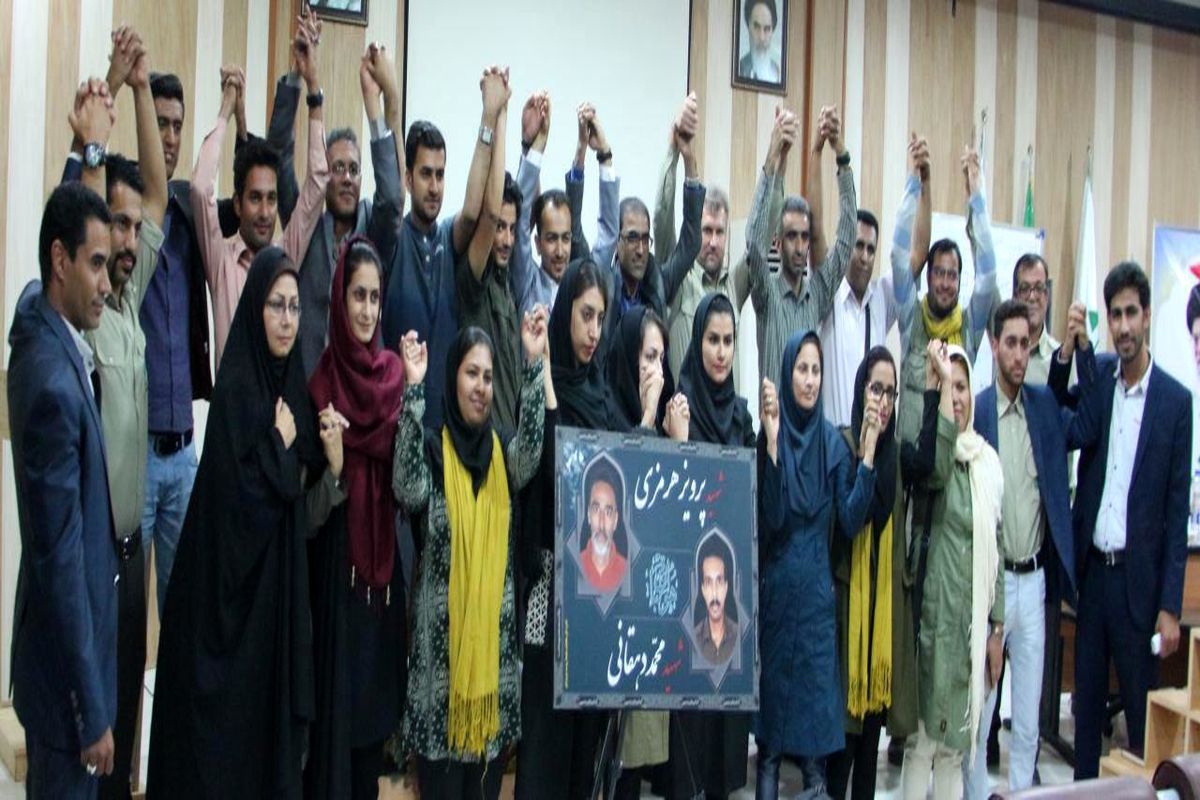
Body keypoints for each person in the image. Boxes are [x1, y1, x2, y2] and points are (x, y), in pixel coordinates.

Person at [147, 248, 327, 797]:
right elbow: (236, 504)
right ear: (255, 309)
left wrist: (309, 452)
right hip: (228, 607)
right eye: (275, 305)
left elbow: (303, 473)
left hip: (274, 600)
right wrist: (277, 443)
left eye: (294, 308)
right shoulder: (237, 389)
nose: (287, 320)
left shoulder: (292, 385)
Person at [66, 33, 167, 800]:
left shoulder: (129, 303)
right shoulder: (89, 311)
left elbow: (159, 194)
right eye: (119, 228)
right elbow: (83, 210)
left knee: (127, 725)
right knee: (88, 730)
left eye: (134, 230)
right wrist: (98, 115)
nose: (130, 239)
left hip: (134, 560)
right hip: (93, 557)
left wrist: (139, 90)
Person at [392, 313, 550, 799]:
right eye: (471, 373)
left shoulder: (502, 456)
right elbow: (406, 486)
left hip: (490, 686)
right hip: (440, 690)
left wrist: (532, 364)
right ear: (452, 377)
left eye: (487, 376)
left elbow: (532, 452)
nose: (481, 387)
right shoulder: (433, 453)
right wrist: (412, 391)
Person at [1050, 263, 1192, 779]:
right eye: (1115, 315)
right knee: (1085, 720)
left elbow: (1175, 513)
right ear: (1107, 320)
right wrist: (1068, 354)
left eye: (1132, 313)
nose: (1124, 325)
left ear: (1147, 316)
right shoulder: (1100, 376)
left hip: (1140, 589)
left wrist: (1170, 607)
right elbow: (1061, 415)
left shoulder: (1176, 403)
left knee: (1141, 725)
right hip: (1094, 581)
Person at [9, 181, 116, 799]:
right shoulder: (53, 386)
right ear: (59, 260)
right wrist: (91, 711)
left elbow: (30, 294)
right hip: (64, 695)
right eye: (95, 264)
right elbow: (62, 563)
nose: (106, 284)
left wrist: (82, 160)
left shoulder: (36, 326)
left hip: (53, 676)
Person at [515, 259, 626, 800]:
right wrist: (545, 383)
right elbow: (552, 472)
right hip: (549, 592)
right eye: (585, 315)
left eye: (600, 318)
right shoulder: (540, 383)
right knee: (546, 743)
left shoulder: (602, 395)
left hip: (595, 601)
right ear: (565, 315)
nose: (593, 330)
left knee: (586, 750)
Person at [304, 237, 406, 799]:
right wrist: (337, 472)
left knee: (369, 741)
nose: (366, 311)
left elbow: (409, 484)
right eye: (357, 296)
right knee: (335, 737)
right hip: (336, 584)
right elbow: (304, 519)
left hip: (382, 587)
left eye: (374, 297)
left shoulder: (394, 381)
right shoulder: (321, 386)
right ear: (339, 301)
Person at [962, 300, 1076, 797]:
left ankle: (1025, 792)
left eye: (1025, 344)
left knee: (1028, 719)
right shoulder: (978, 409)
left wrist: (1078, 351)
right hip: (992, 585)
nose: (1018, 354)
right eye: (1009, 343)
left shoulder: (1044, 406)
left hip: (1035, 582)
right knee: (981, 714)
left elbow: (1087, 421)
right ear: (993, 345)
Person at [756, 330, 877, 799]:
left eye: (816, 370)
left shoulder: (833, 444)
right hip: (777, 603)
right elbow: (770, 519)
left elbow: (850, 519)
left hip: (816, 614)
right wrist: (771, 445)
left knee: (814, 756)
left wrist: (867, 457)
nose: (809, 380)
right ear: (788, 374)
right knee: (769, 745)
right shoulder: (773, 433)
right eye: (801, 369)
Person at [826, 344, 945, 800]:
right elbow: (850, 519)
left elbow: (928, 462)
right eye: (876, 389)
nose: (883, 401)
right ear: (861, 391)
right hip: (847, 617)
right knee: (842, 746)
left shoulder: (896, 453)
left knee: (869, 750)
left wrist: (932, 391)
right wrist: (867, 453)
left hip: (882, 620)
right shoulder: (843, 446)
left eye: (890, 392)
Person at [191, 15, 329, 369]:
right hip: (231, 405)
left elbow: (317, 182)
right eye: (255, 199)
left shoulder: (285, 256)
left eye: (271, 199)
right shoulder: (221, 260)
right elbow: (200, 187)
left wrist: (314, 89)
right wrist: (226, 109)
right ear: (238, 204)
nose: (266, 212)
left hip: (280, 405)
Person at [661, 292, 757, 800]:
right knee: (690, 744)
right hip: (688, 602)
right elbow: (665, 507)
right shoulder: (679, 409)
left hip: (730, 598)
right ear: (697, 342)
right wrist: (677, 443)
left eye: (728, 341)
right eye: (712, 340)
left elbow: (752, 505)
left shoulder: (741, 418)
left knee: (722, 747)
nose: (720, 352)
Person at [900, 343, 1004, 800]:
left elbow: (997, 551)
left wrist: (996, 629)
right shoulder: (933, 457)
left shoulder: (987, 464)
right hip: (931, 627)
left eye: (961, 387)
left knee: (953, 750)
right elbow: (937, 466)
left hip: (968, 633)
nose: (956, 397)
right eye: (948, 387)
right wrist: (936, 393)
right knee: (922, 744)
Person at [267, 40, 404, 377]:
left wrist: (373, 107)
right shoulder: (307, 222)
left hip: (361, 387)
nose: (346, 178)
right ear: (325, 175)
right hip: (308, 386)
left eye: (354, 170)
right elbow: (278, 159)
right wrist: (296, 79)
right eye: (338, 168)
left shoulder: (373, 231)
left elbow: (392, 198)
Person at [381, 67, 507, 428]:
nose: (435, 186)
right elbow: (389, 188)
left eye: (440, 174)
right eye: (425, 174)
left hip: (445, 432)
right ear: (408, 179)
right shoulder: (392, 240)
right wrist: (390, 97)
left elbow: (478, 211)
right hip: (396, 425)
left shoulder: (448, 239)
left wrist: (491, 116)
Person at [599, 306, 689, 800]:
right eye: (646, 356)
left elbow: (670, 525)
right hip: (608, 621)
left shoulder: (663, 420)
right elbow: (624, 501)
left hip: (647, 620)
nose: (655, 369)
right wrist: (647, 420)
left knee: (635, 766)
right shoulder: (605, 411)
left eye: (660, 358)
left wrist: (678, 444)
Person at [654, 96, 785, 392]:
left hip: (728, 419)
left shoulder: (734, 285)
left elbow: (762, 238)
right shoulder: (677, 277)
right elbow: (662, 217)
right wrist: (675, 151)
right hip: (684, 418)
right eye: (706, 231)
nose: (712, 242)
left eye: (719, 232)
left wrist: (775, 158)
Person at [894, 142, 998, 447]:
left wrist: (976, 196)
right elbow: (898, 255)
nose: (944, 282)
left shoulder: (969, 328)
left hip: (955, 462)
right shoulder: (911, 318)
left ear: (959, 281)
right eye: (938, 273)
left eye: (952, 275)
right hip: (909, 466)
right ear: (927, 278)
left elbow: (989, 274)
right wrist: (914, 183)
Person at [748, 106, 857, 388]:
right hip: (772, 417)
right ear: (778, 242)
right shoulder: (766, 293)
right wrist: (772, 157)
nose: (799, 247)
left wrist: (841, 154)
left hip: (810, 418)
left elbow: (846, 240)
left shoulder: (816, 296)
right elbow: (754, 244)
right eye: (792, 236)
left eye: (805, 237)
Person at [511, 95, 619, 314]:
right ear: (537, 243)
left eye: (566, 238)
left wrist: (604, 155)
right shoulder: (528, 283)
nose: (560, 251)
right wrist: (535, 145)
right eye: (551, 239)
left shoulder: (584, 286)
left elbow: (609, 235)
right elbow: (520, 219)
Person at [458, 84, 523, 432]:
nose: (506, 240)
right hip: (480, 446)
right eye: (500, 229)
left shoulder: (507, 286)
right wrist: (499, 114)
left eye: (512, 229)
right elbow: (489, 210)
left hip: (508, 451)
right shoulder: (475, 279)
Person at [579, 462, 629, 593]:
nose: (601, 524)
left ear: (616, 520)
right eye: (596, 510)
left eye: (608, 512)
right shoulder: (576, 565)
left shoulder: (626, 570)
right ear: (588, 515)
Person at [1013, 254, 1059, 385]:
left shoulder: (1059, 359)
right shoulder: (1003, 350)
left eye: (1039, 288)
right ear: (1015, 297)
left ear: (1047, 296)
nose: (1032, 297)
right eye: (1025, 289)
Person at [738, 0, 781, 82]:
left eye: (767, 29)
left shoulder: (778, 72)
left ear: (772, 30)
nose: (761, 37)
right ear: (748, 25)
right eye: (756, 27)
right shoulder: (739, 68)